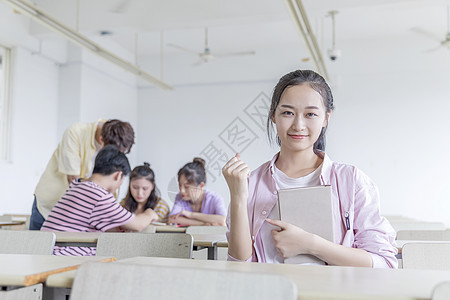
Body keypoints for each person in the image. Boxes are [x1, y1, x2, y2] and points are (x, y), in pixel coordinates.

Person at [222, 70, 398, 268]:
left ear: (326, 118)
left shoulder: (352, 181)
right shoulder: (250, 183)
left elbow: (384, 263)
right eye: (288, 112)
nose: (298, 125)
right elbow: (239, 266)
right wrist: (238, 197)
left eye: (310, 114)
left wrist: (311, 244)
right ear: (273, 115)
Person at [41, 145, 156, 256]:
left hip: (44, 250)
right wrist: (149, 213)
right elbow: (138, 225)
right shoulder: (100, 196)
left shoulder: (78, 184)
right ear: (118, 175)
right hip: (64, 256)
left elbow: (82, 223)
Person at [30, 119, 135, 230]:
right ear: (101, 139)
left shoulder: (115, 135)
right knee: (39, 245)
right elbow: (74, 180)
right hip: (50, 205)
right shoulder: (75, 133)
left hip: (79, 215)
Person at [168, 158, 226, 226]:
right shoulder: (180, 197)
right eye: (180, 185)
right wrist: (204, 224)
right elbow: (172, 219)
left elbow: (223, 220)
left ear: (201, 185)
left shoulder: (214, 198)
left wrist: (192, 215)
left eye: (186, 187)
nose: (182, 190)